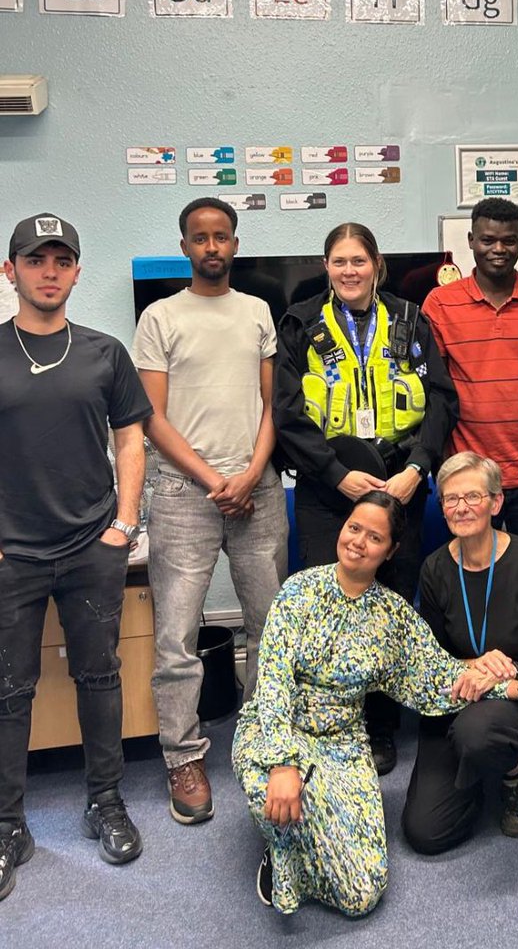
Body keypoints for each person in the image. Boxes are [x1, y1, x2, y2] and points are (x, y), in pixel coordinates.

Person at [232, 491, 518, 916]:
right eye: (354, 528)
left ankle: (299, 829)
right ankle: (283, 846)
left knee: (361, 895)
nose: (358, 542)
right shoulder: (298, 592)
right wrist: (281, 763)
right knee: (270, 789)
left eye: (374, 537)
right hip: (276, 727)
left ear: (390, 551)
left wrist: (514, 685)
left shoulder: (392, 616)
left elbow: (438, 677)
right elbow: (271, 683)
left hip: (341, 742)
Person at [0, 213, 151, 901]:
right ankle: (8, 826)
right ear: (11, 272)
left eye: (62, 259)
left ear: (77, 272)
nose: (49, 271)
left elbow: (130, 441)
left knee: (100, 677)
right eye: (36, 259)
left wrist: (124, 522)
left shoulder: (104, 352)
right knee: (9, 693)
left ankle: (106, 803)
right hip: (13, 556)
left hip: (92, 545)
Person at [273, 222, 458, 775]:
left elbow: (443, 400)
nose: (349, 271)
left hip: (398, 481)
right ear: (325, 266)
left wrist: (419, 469)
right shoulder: (302, 323)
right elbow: (285, 412)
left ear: (376, 264)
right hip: (328, 487)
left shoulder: (410, 318)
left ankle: (380, 724)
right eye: (338, 261)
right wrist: (334, 474)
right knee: (332, 607)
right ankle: (334, 720)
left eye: (359, 260)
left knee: (389, 603)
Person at [132, 198, 286, 825]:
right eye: (200, 239)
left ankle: (267, 741)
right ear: (185, 246)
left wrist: (249, 474)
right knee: (176, 637)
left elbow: (274, 405)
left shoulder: (257, 311)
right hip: (181, 495)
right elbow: (151, 417)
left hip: (259, 490)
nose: (212, 247)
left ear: (235, 243)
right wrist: (214, 480)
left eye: (222, 237)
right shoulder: (160, 317)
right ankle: (184, 758)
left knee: (272, 628)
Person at [402, 453, 518, 853]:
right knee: (427, 833)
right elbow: (432, 663)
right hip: (460, 695)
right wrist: (475, 667)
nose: (461, 507)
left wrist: (509, 669)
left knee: (477, 733)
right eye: (450, 499)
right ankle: (480, 768)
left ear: (496, 503)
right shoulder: (434, 570)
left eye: (473, 496)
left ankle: (516, 769)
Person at [421, 197, 518, 560]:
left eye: (508, 240)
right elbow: (437, 395)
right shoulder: (440, 304)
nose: (499, 249)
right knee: (472, 577)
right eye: (488, 240)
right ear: (471, 239)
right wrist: (446, 470)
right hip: (468, 475)